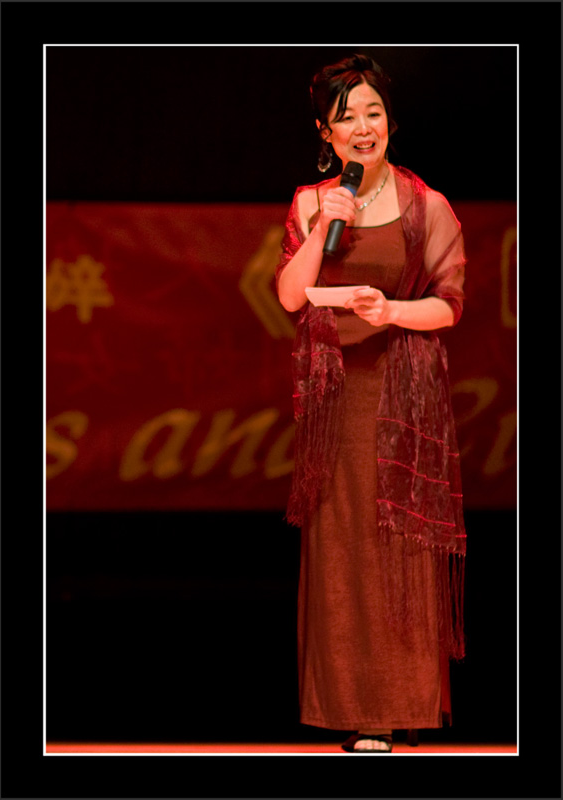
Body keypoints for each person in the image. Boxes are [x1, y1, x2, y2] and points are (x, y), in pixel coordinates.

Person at [276, 54, 467, 753]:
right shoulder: (309, 202)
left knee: (400, 547)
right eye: (346, 116)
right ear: (325, 133)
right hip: (336, 402)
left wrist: (391, 311)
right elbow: (291, 297)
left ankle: (397, 710)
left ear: (390, 121)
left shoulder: (428, 205)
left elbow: (449, 307)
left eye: (372, 112)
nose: (362, 127)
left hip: (402, 394)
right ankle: (355, 715)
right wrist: (326, 223)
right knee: (341, 549)